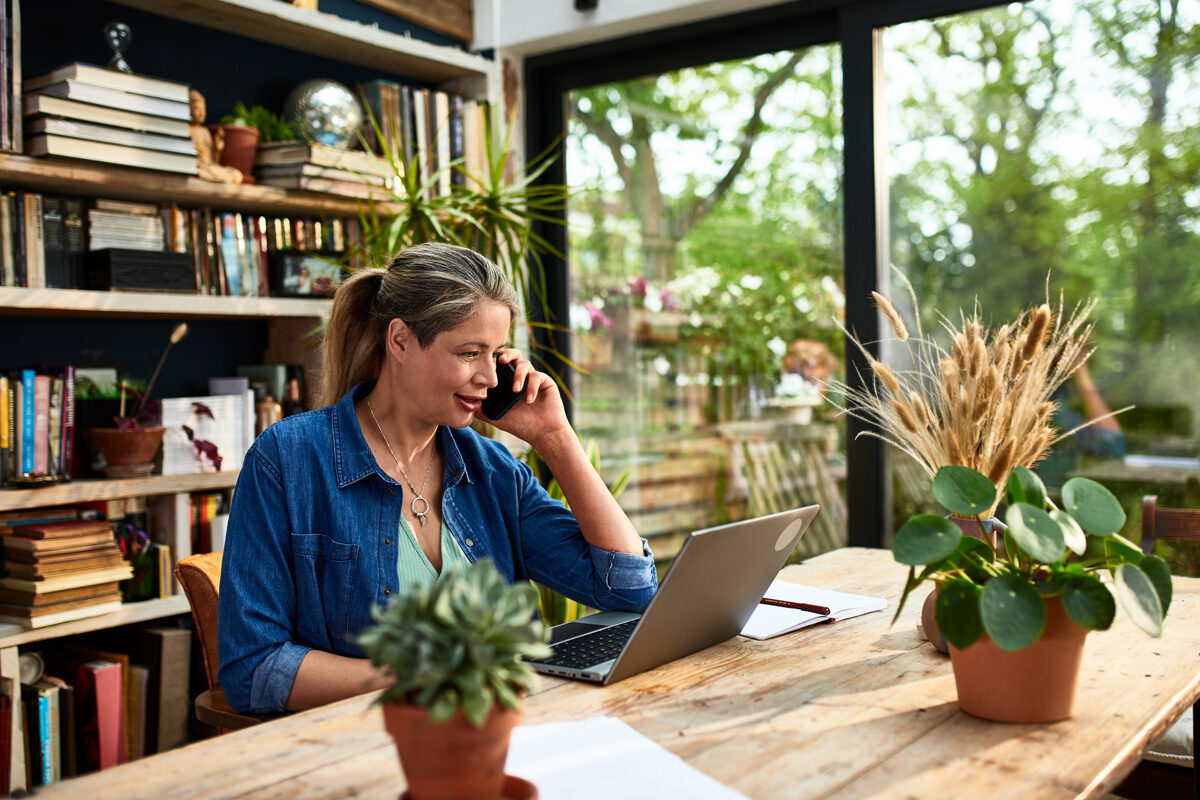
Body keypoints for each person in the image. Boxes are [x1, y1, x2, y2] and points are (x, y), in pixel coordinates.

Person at [217, 243, 658, 713]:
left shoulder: (493, 471)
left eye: (497, 354)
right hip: (366, 749)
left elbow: (630, 589)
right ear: (401, 341)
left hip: (505, 735)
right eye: (470, 353)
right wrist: (422, 676)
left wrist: (555, 436)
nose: (489, 377)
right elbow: (255, 668)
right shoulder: (289, 460)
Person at [188, 89, 243, 184]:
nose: (201, 113)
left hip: (210, 167)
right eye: (197, 109)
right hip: (199, 166)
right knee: (196, 172)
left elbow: (214, 161)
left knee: (237, 174)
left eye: (203, 109)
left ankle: (214, 177)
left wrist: (217, 148)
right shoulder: (187, 130)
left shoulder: (205, 131)